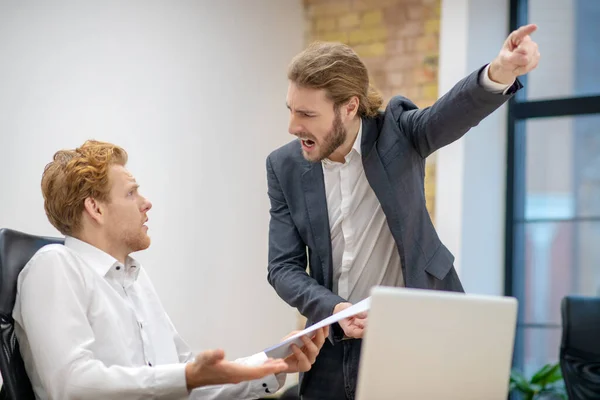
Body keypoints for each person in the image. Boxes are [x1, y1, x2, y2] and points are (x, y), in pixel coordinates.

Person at [265, 24, 540, 400]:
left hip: (418, 335)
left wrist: (501, 70)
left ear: (349, 107)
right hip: (333, 342)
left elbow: (450, 113)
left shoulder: (397, 133)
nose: (293, 126)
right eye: (291, 110)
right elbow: (282, 267)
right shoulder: (284, 166)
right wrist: (335, 308)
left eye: (308, 114)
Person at [13, 140, 328, 400]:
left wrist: (272, 365)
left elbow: (185, 381)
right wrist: (187, 376)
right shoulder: (54, 266)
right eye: (131, 193)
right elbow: (71, 385)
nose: (146, 203)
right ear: (95, 208)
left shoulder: (133, 278)